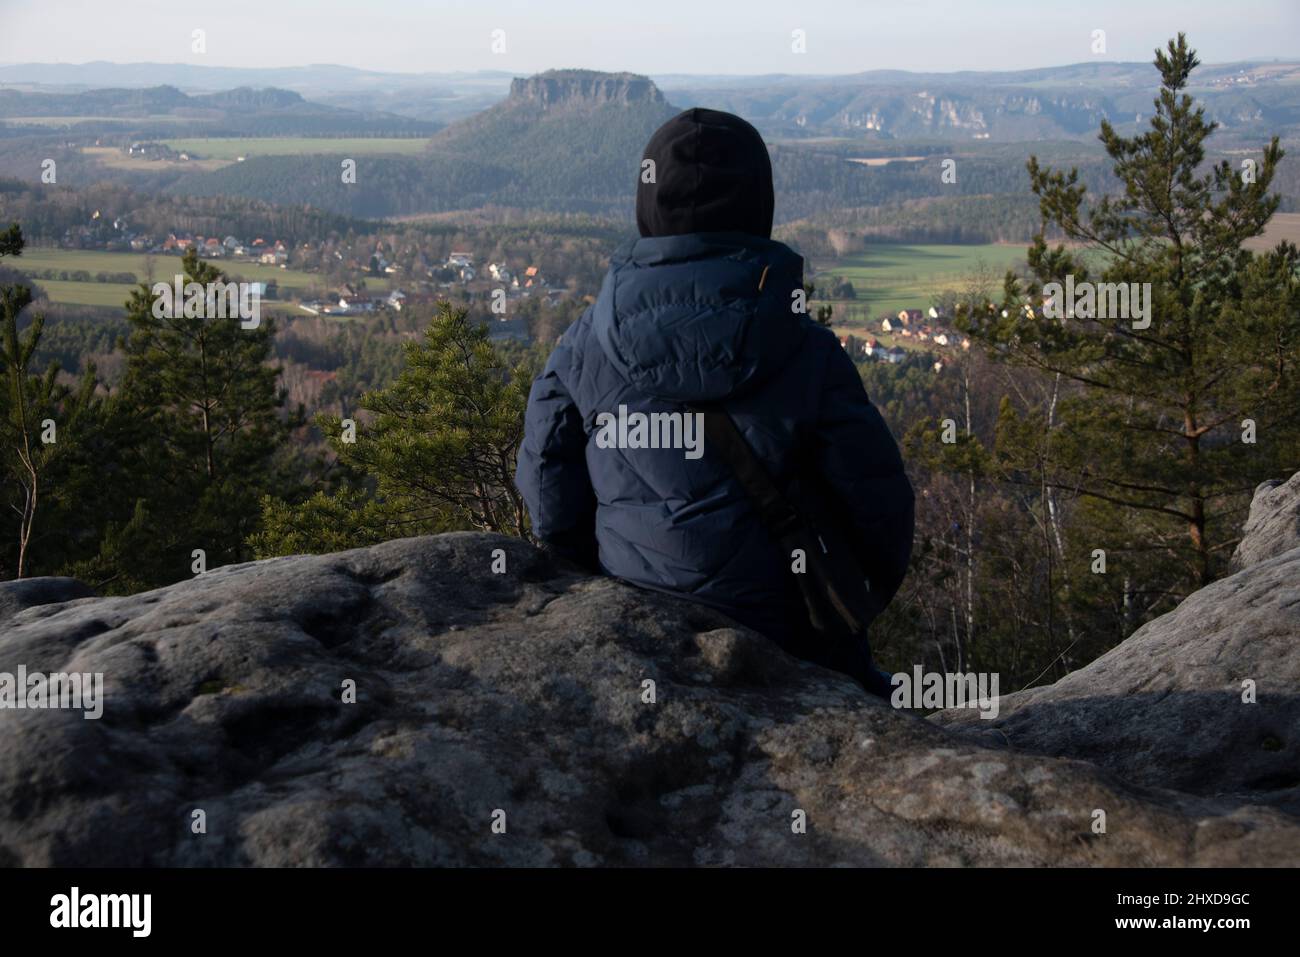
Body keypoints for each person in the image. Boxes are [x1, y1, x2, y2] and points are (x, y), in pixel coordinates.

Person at [515, 107, 914, 694]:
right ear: (760, 205)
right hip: (796, 652)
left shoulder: (580, 350)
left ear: (646, 207)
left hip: (637, 646)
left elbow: (550, 503)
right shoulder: (810, 351)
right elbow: (879, 515)